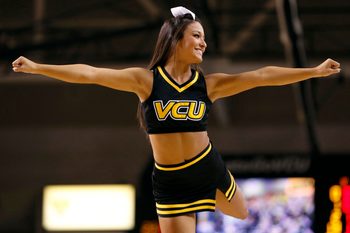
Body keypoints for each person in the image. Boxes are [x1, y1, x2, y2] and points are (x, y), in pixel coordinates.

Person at [12, 6, 340, 233]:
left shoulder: (207, 85)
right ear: (176, 39)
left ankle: (207, 196)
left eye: (204, 38)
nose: (203, 43)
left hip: (205, 164)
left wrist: (312, 70)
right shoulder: (146, 81)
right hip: (169, 180)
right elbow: (91, 74)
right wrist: (39, 67)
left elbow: (262, 76)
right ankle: (199, 199)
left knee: (242, 212)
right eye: (196, 36)